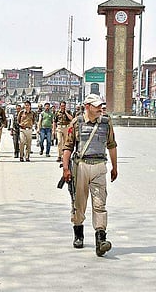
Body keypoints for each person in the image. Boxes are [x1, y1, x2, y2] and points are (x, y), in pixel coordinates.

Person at [62, 93, 118, 257]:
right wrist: (66, 168)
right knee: (79, 203)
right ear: (87, 107)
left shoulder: (106, 123)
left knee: (100, 203)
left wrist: (115, 167)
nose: (101, 108)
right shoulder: (77, 123)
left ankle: (100, 239)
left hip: (99, 166)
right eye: (97, 106)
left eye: (101, 106)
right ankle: (78, 233)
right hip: (81, 166)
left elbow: (112, 145)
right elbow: (68, 147)